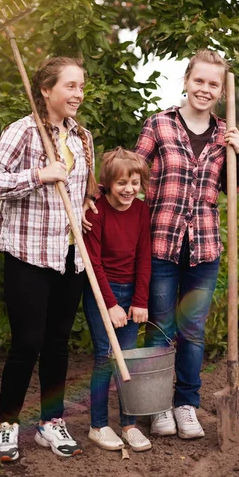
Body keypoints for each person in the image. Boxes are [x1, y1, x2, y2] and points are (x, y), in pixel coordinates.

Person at [0, 56, 97, 461]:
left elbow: (82, 189)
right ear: (46, 90)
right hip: (28, 253)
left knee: (58, 344)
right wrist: (38, 176)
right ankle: (6, 428)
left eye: (81, 87)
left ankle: (51, 423)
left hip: (69, 255)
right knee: (27, 342)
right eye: (70, 86)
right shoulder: (22, 132)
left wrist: (83, 206)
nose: (78, 94)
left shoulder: (83, 137)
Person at [134, 49, 239, 440]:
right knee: (162, 327)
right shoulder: (159, 125)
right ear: (186, 80)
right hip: (162, 244)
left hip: (204, 248)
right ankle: (159, 406)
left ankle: (186, 404)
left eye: (213, 84)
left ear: (221, 91)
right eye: (199, 80)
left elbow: (233, 186)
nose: (205, 89)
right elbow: (134, 174)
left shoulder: (224, 133)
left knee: (193, 331)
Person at [83, 147, 152, 452]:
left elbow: (144, 258)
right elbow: (93, 263)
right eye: (122, 183)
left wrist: (139, 300)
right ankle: (98, 425)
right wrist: (110, 304)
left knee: (129, 361)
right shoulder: (96, 211)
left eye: (134, 183)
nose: (129, 190)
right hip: (101, 292)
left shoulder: (141, 211)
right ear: (108, 183)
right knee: (104, 359)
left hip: (129, 291)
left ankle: (129, 424)